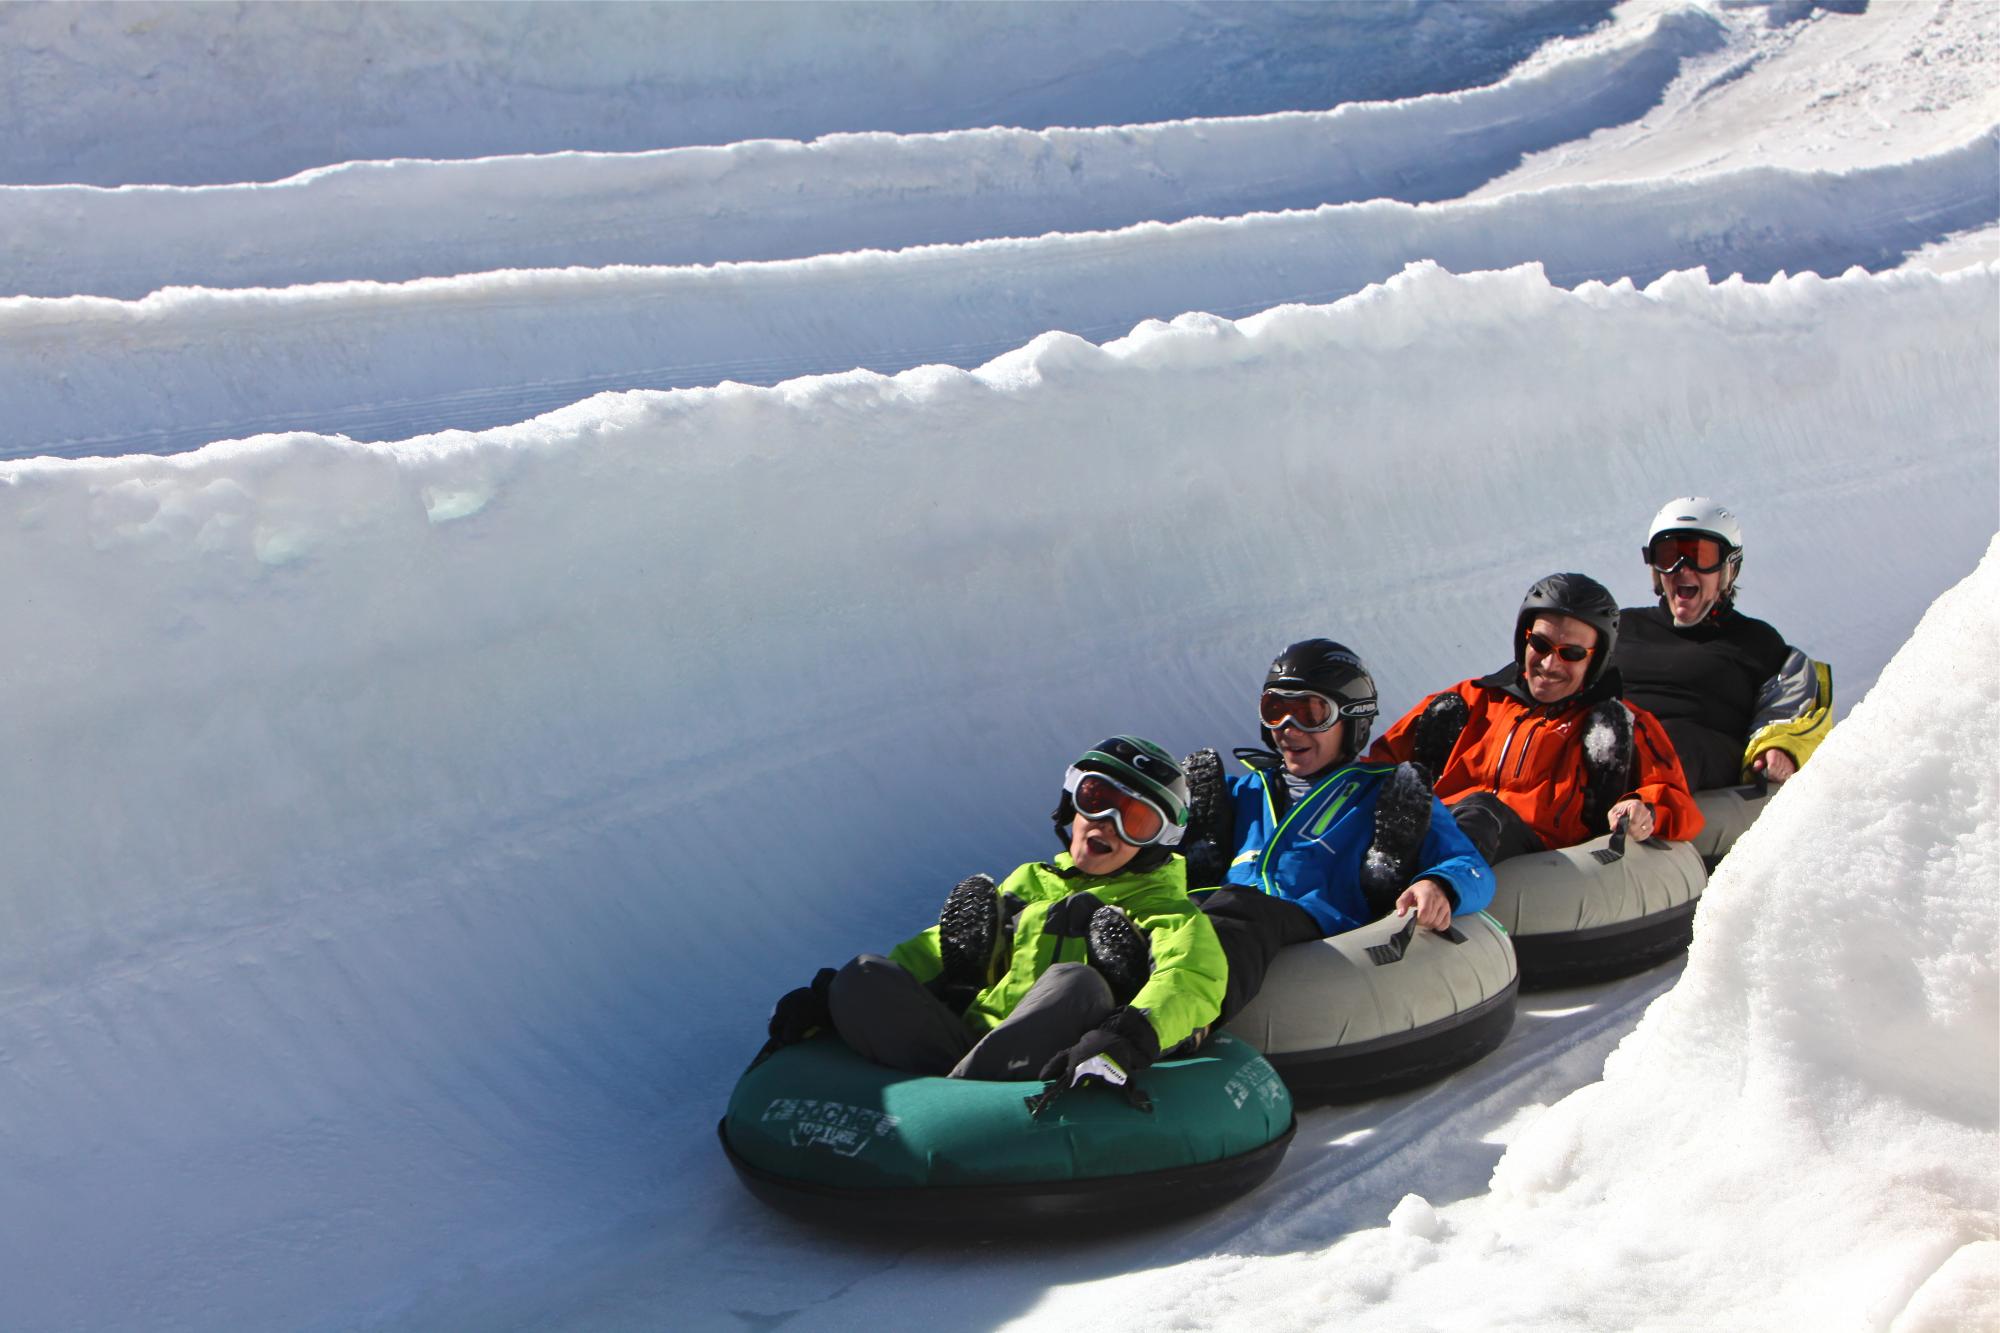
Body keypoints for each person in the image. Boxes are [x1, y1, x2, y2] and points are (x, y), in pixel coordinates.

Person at [767, 737, 1225, 1092]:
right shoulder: (1028, 882)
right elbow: (936, 947)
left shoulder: (1166, 909)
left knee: (1077, 982)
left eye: (1134, 819)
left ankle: (962, 1110)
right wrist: (830, 1000)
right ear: (1072, 803)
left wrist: (1131, 1034)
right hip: (971, 1042)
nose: (1105, 822)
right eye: (1094, 798)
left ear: (1156, 841)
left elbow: (1191, 979)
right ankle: (951, 1096)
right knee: (862, 974)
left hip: (1058, 1052)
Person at [1180, 639, 1494, 1024]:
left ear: (1352, 721)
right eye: (1275, 710)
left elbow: (1471, 865)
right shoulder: (1242, 791)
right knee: (1185, 907)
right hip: (1224, 917)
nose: (1287, 728)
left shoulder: (1383, 790)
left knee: (1237, 907)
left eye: (1310, 713)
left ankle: (1184, 1021)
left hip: (1317, 926)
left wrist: (1440, 884)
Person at [1365, 573, 1702, 865]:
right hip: (1444, 825)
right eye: (1540, 644)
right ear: (1523, 640)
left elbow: (1674, 796)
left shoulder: (1618, 724)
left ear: (1595, 661)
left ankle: (1416, 886)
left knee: (1482, 810)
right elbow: (1381, 763)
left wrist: (1643, 807)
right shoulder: (1472, 699)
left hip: (1539, 856)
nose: (1549, 665)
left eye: (1570, 653)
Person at [1609, 497, 1833, 792]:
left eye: (1700, 557)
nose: (1682, 568)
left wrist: (1779, 749)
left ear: (1729, 569)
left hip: (1701, 776)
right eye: (1668, 556)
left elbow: (1791, 713)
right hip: (1615, 755)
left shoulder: (1756, 643)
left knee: (1673, 737)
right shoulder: (1620, 627)